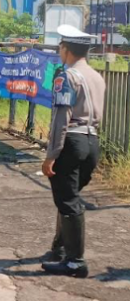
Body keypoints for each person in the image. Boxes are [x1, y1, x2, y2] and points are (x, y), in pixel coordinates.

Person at [41, 25, 105, 278]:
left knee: (68, 201)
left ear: (65, 50)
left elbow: (61, 119)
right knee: (69, 195)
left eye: (60, 47)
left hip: (72, 141)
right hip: (92, 142)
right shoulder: (96, 76)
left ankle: (75, 261)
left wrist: (51, 155)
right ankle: (61, 250)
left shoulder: (65, 77)